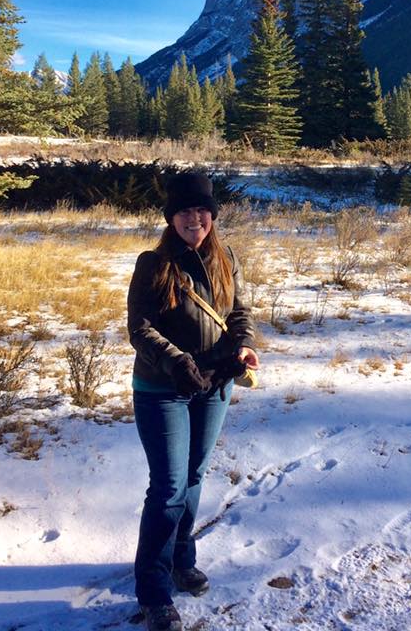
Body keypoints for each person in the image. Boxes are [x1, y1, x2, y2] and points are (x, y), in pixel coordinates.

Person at [127, 171, 259, 631]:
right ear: (171, 217)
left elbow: (239, 313)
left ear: (212, 215)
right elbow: (140, 330)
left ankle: (182, 559)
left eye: (201, 210)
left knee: (194, 477)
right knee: (167, 488)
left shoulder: (226, 259)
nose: (194, 218)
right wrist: (177, 361)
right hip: (163, 389)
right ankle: (154, 591)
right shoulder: (153, 264)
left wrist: (241, 345)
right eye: (185, 210)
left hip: (214, 384)